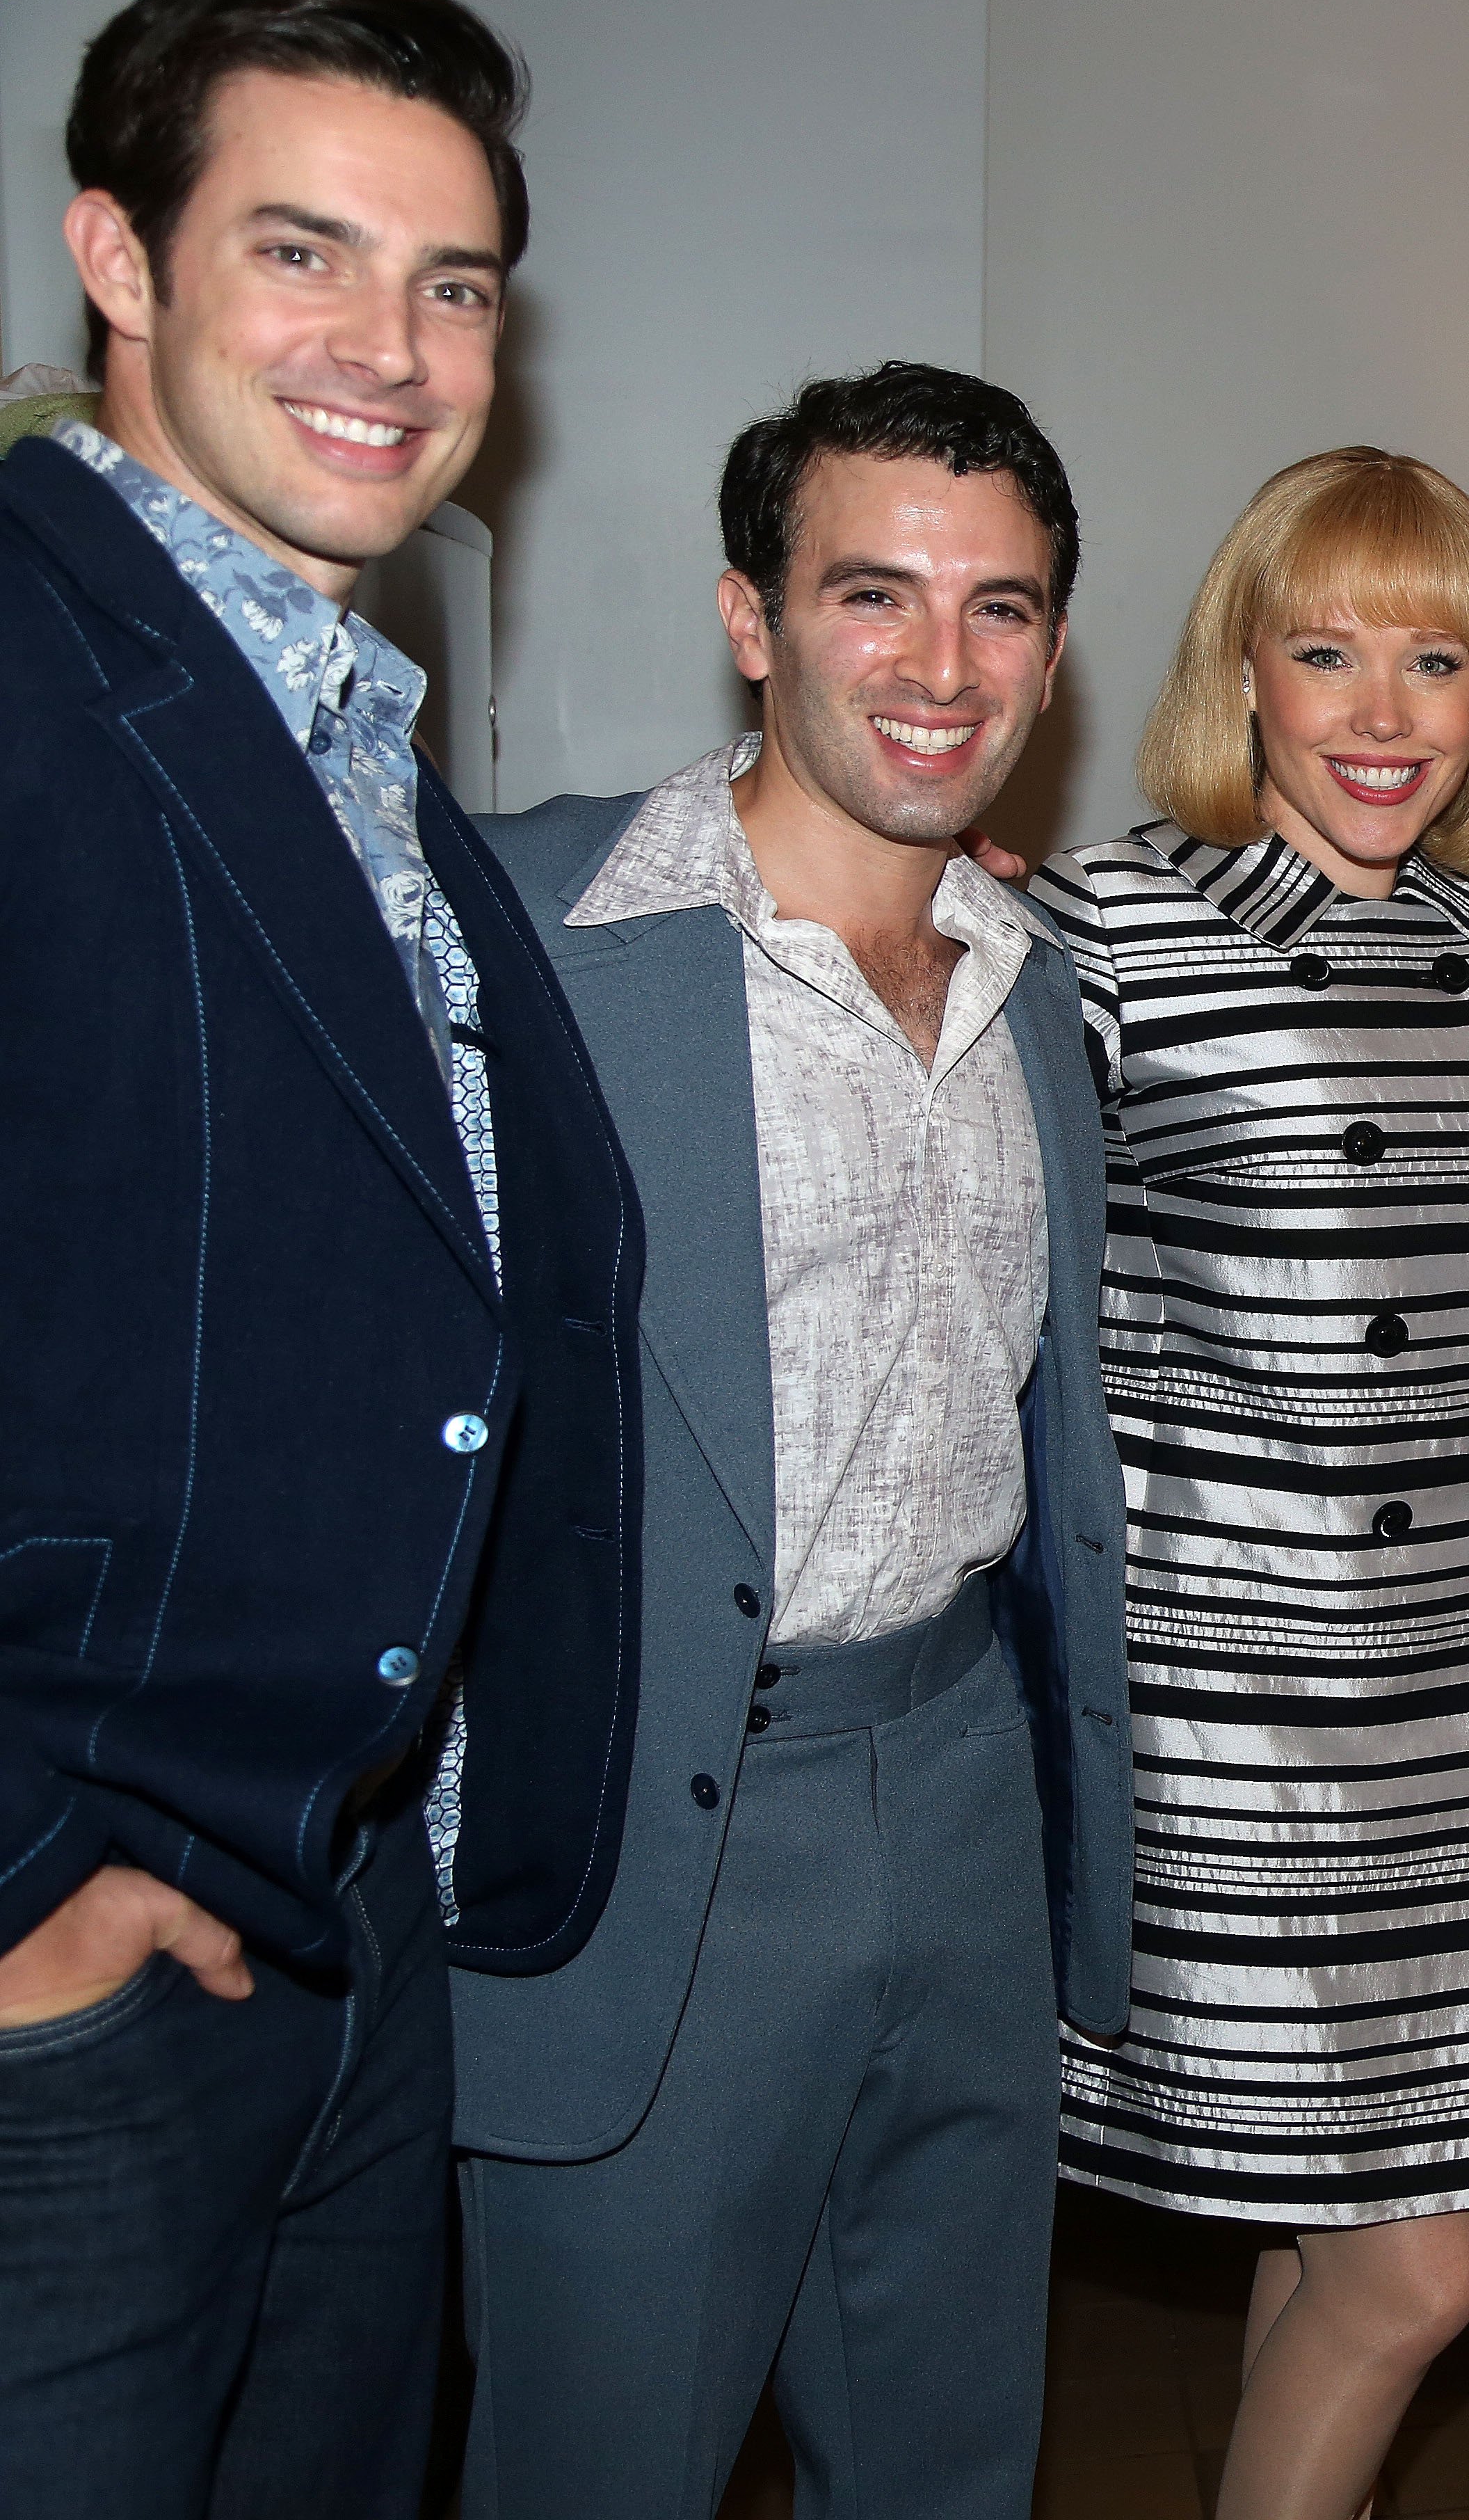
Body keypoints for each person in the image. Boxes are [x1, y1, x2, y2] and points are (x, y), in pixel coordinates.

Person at [0, 0, 640, 2520]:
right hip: (79, 1969)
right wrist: (22, 1883)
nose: (394, 347)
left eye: (456, 282)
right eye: (305, 252)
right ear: (118, 264)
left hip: (342, 1913)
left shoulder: (351, 722)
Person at [450, 363, 1132, 2520]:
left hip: (960, 1790)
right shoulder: (528, 939)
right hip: (661, 1835)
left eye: (1003, 610)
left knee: (950, 2460)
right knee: (604, 2467)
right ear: (752, 617)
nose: (944, 670)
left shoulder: (1040, 984)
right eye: (875, 596)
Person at [1034, 446, 1469, 2519]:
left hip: (1461, 1708)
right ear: (1242, 671)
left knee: (1325, 2228)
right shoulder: (1106, 929)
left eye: (1432, 659)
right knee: (1418, 2268)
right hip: (1244, 1709)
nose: (1381, 714)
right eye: (1328, 652)